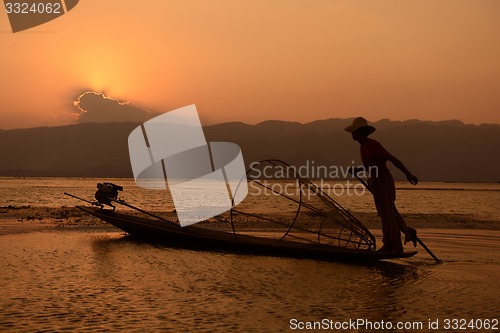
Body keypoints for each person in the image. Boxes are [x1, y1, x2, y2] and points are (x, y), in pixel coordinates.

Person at [344, 117, 418, 253]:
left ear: (358, 132)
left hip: (384, 181)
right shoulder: (363, 147)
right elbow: (371, 166)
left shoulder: (373, 145)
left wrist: (408, 174)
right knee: (387, 212)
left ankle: (392, 246)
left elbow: (392, 159)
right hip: (376, 182)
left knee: (387, 214)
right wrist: (358, 170)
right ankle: (408, 231)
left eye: (353, 131)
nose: (351, 134)